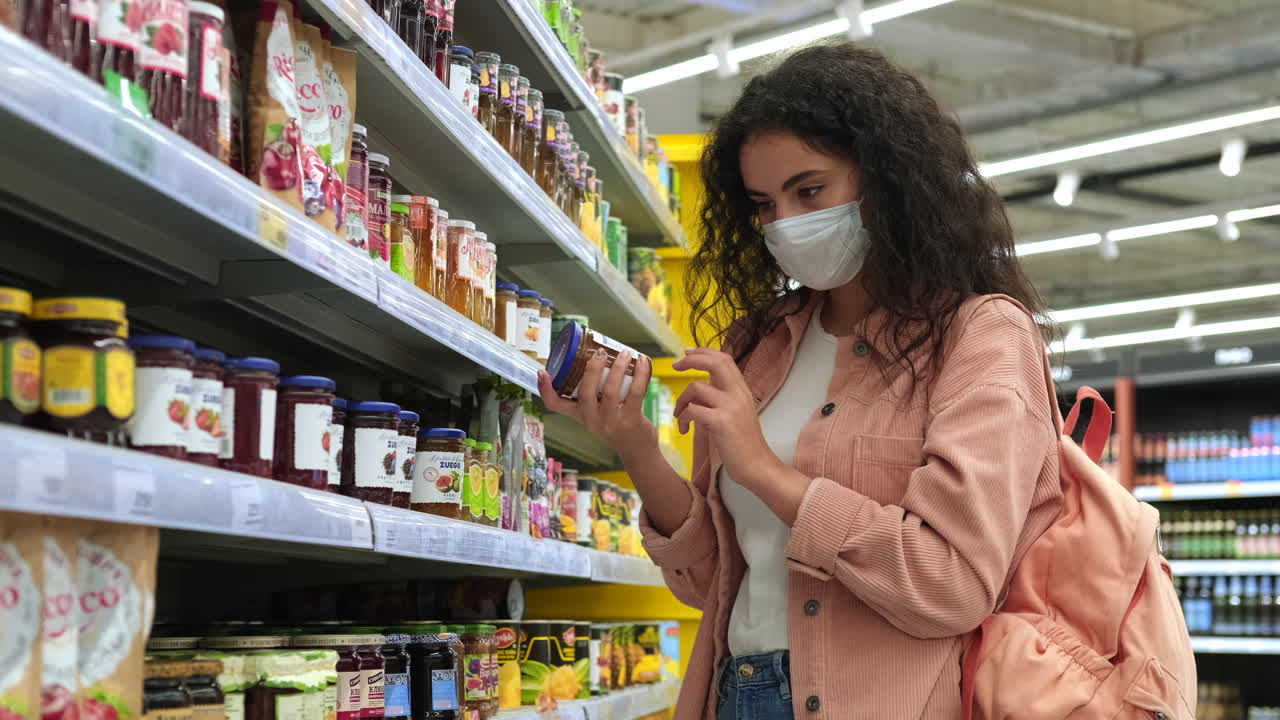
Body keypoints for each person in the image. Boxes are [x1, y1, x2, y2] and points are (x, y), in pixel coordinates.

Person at [538, 42, 1063, 720]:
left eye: (809, 191)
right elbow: (711, 584)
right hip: (738, 690)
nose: (786, 224)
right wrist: (635, 446)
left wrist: (765, 471)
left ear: (887, 181)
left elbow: (952, 583)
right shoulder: (756, 346)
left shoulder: (981, 337)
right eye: (764, 203)